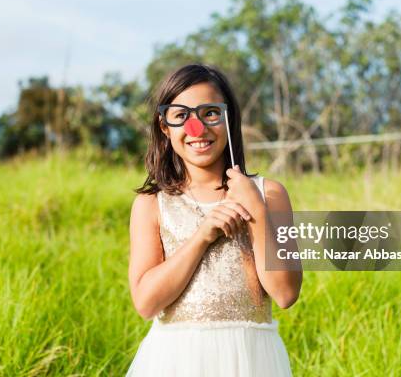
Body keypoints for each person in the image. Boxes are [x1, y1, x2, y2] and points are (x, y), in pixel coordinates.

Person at [126, 63, 302, 376]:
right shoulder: (152, 204)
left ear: (228, 118)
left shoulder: (269, 194)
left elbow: (286, 293)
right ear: (165, 128)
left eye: (210, 113)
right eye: (181, 116)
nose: (197, 129)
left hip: (251, 360)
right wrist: (202, 236)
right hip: (176, 361)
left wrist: (257, 212)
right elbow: (146, 303)